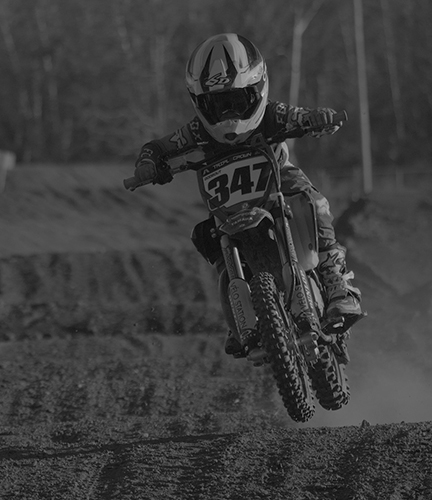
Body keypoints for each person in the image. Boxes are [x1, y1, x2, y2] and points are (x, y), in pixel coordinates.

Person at [132, 33, 362, 355]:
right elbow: (157, 146)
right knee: (205, 236)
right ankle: (240, 316)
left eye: (237, 101)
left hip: (278, 182)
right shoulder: (196, 132)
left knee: (312, 201)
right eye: (218, 104)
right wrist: (148, 164)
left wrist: (317, 118)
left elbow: (299, 116)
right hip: (229, 208)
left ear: (257, 90)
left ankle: (335, 280)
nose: (229, 114)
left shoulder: (271, 115)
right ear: (200, 103)